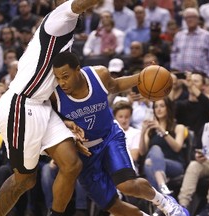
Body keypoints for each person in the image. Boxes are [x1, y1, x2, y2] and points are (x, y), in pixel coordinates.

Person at [0, 0, 102, 215]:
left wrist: (62, 118)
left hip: (42, 106)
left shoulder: (64, 33)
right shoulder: (57, 18)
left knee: (72, 165)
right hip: (20, 106)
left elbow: (49, 87)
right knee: (25, 180)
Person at [50, 51, 189, 216]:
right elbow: (51, 121)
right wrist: (67, 128)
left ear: (78, 70)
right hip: (84, 153)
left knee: (127, 185)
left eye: (65, 76)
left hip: (109, 137)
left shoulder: (98, 75)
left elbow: (114, 86)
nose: (62, 82)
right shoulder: (54, 95)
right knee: (113, 206)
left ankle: (165, 202)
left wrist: (144, 76)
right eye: (57, 78)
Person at [138, 97, 187, 195]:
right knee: (150, 161)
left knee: (150, 160)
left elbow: (177, 148)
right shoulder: (150, 130)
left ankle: (158, 202)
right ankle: (162, 187)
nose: (158, 109)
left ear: (168, 108)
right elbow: (142, 152)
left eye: (162, 106)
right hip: (155, 166)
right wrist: (143, 132)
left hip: (174, 164)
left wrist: (161, 130)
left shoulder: (178, 127)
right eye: (156, 107)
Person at [178, 121, 209, 215]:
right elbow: (196, 148)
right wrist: (196, 155)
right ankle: (182, 206)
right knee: (193, 166)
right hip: (206, 162)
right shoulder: (206, 127)